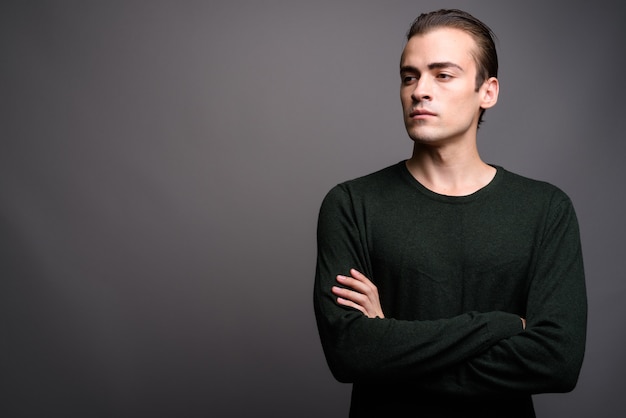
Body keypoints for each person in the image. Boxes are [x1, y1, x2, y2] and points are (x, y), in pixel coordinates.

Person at [313, 9, 587, 418]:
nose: (419, 90)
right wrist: (503, 325)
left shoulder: (546, 209)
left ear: (487, 92)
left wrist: (390, 343)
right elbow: (350, 353)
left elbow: (557, 362)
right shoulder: (351, 204)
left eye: (442, 75)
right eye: (410, 76)